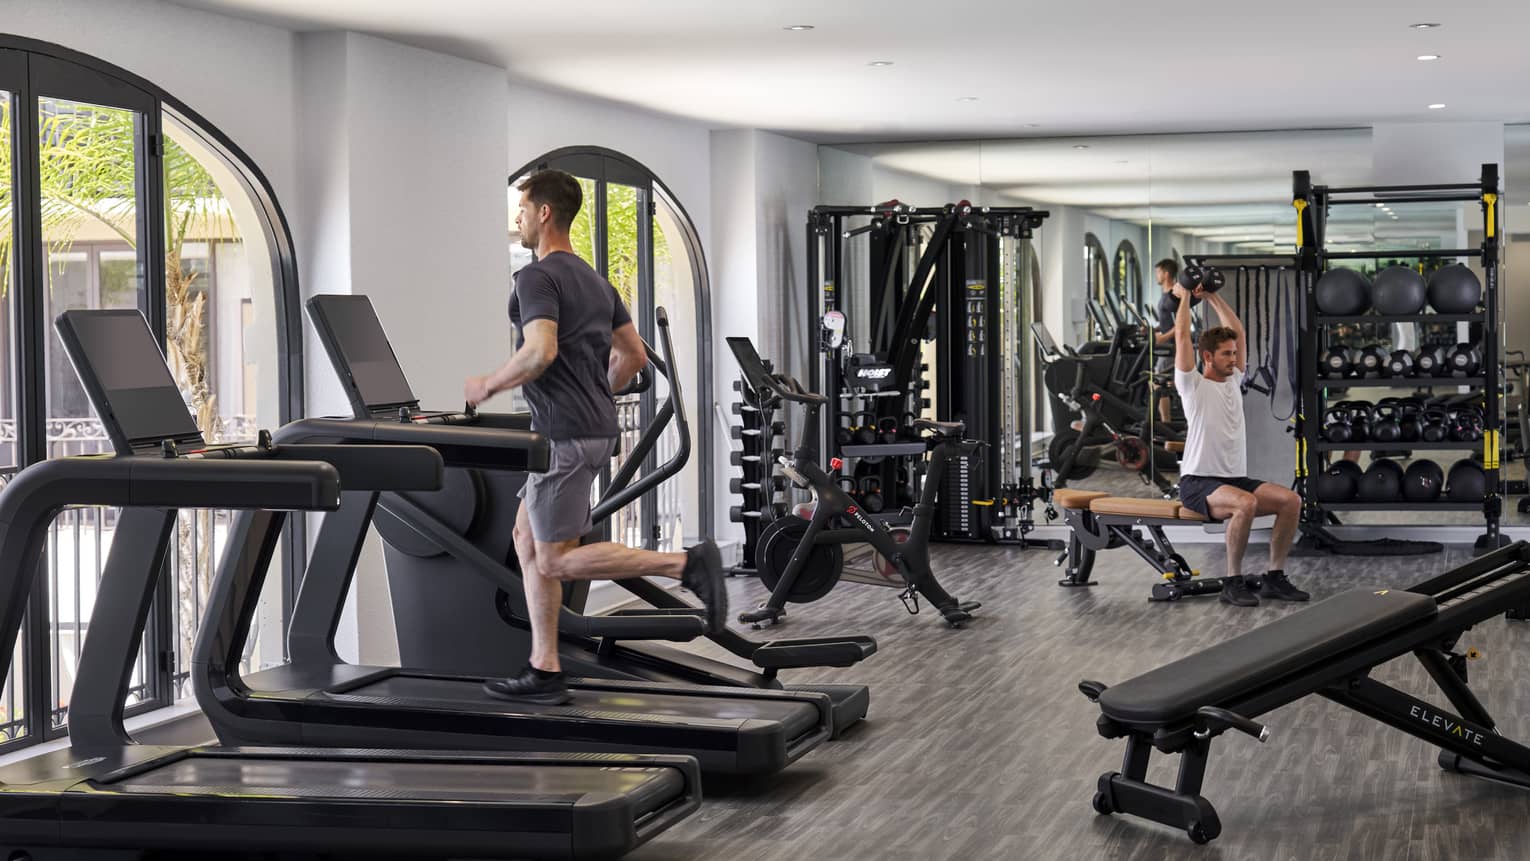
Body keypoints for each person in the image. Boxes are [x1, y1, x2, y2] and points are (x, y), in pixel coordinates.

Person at [465, 169, 726, 704]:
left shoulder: (536, 278)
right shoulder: (595, 280)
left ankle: (684, 564)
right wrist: (595, 392)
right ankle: (545, 666)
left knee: (554, 559)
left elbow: (540, 351)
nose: (518, 219)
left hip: (562, 436)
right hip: (590, 429)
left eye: (522, 209)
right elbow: (633, 356)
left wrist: (487, 385)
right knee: (527, 541)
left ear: (544, 213)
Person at [1170, 279, 1307, 607]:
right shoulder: (1191, 385)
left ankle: (1274, 577)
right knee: (1245, 504)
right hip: (1198, 482)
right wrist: (1186, 295)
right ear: (1207, 356)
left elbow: (1239, 332)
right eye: (1226, 354)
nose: (1234, 358)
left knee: (1291, 501)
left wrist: (1212, 296)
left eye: (1234, 353)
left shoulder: (1233, 381)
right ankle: (1232, 582)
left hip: (1232, 480)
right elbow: (1181, 337)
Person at [1150, 259, 1182, 423]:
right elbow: (1167, 322)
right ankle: (1165, 422)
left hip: (1171, 347)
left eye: (1158, 272)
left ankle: (1166, 423)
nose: (1157, 275)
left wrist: (1163, 337)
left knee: (1158, 382)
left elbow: (1181, 324)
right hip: (1167, 346)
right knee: (1159, 382)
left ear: (1166, 274)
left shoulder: (1173, 296)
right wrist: (1155, 329)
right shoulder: (1166, 295)